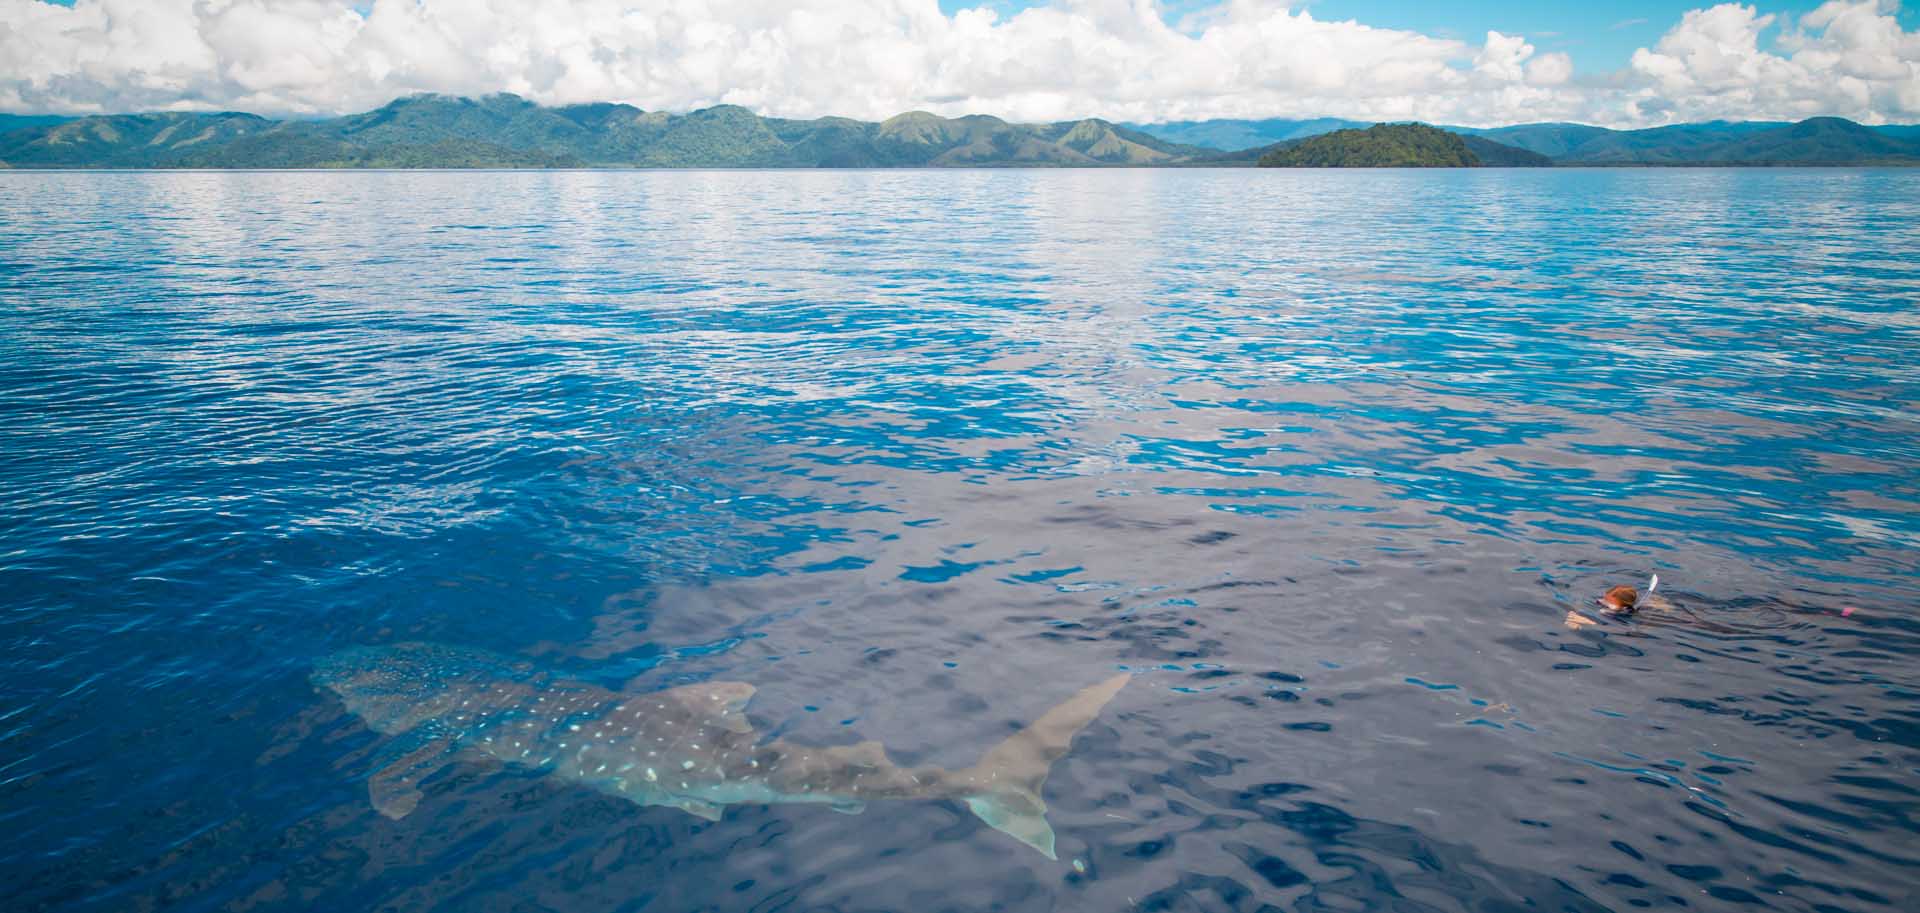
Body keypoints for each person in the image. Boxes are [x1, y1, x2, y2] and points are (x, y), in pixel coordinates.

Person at [1565, 575, 1659, 630]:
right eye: (1606, 598)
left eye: (1609, 601)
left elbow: (1611, 627)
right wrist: (1575, 611)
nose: (1605, 601)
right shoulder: (1606, 603)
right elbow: (1582, 603)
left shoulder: (1624, 613)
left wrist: (1587, 621)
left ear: (1623, 604)